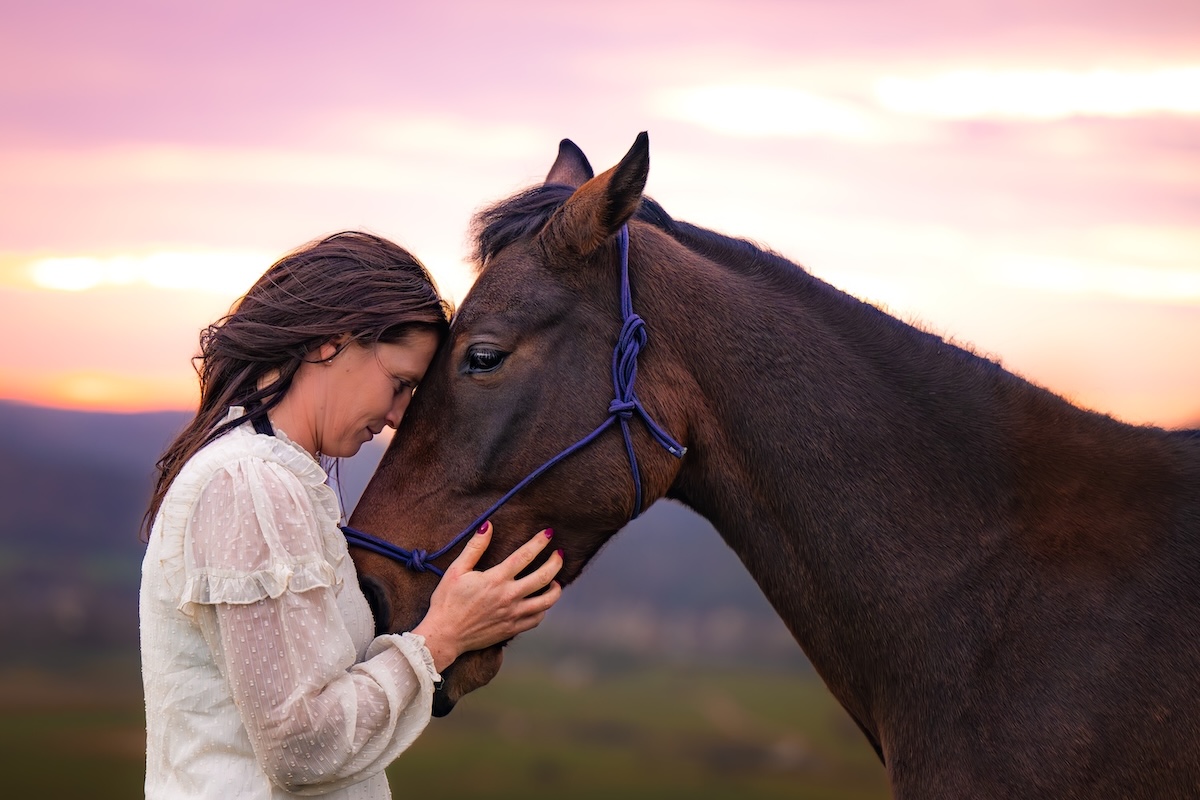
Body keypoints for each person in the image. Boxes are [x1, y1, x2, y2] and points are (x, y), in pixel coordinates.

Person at [139, 231, 564, 799]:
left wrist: (466, 617)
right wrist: (442, 636)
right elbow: (300, 746)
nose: (395, 418)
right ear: (330, 343)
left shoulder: (276, 477)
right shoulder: (249, 485)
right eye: (399, 384)